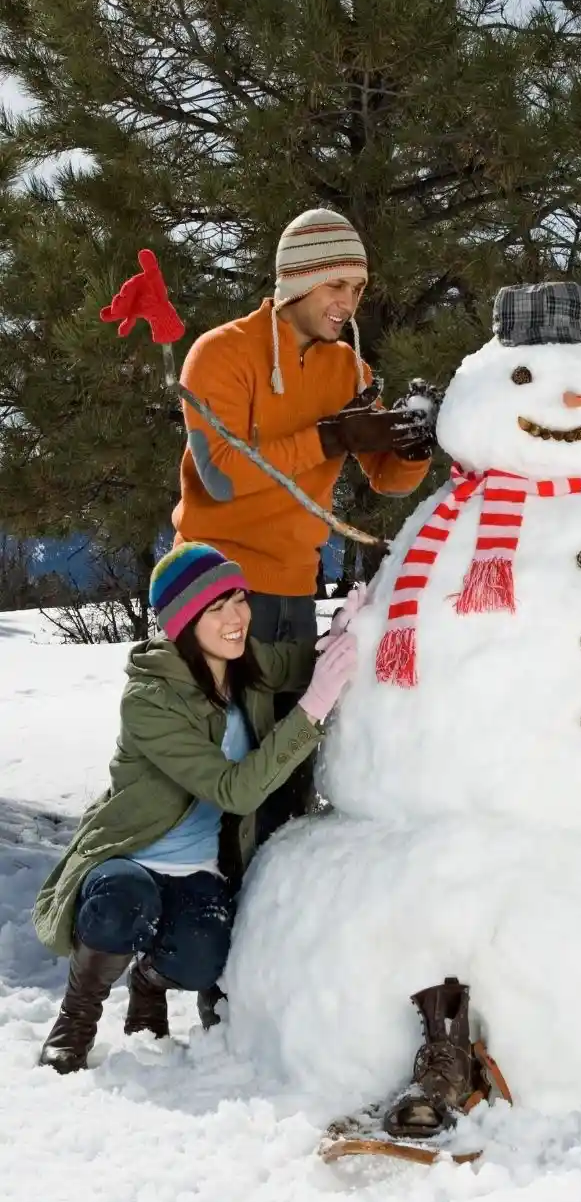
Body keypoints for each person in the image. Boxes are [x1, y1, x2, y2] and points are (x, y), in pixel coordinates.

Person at [32, 543, 358, 1075]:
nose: (236, 618)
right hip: (131, 855)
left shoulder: (243, 659)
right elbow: (235, 790)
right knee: (120, 905)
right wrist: (312, 710)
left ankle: (148, 981)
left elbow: (300, 661)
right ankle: (77, 1017)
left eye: (239, 599)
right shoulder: (149, 699)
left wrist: (346, 631)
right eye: (216, 608)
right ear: (184, 622)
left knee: (202, 956)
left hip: (200, 867)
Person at [172, 207, 433, 837]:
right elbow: (222, 475)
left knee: (288, 756)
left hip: (294, 587)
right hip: (215, 585)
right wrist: (328, 436)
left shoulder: (348, 369)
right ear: (296, 280)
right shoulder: (221, 353)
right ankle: (195, 896)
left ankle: (273, 907)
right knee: (224, 755)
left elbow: (386, 479)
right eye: (336, 284)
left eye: (358, 289)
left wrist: (413, 444)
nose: (349, 302)